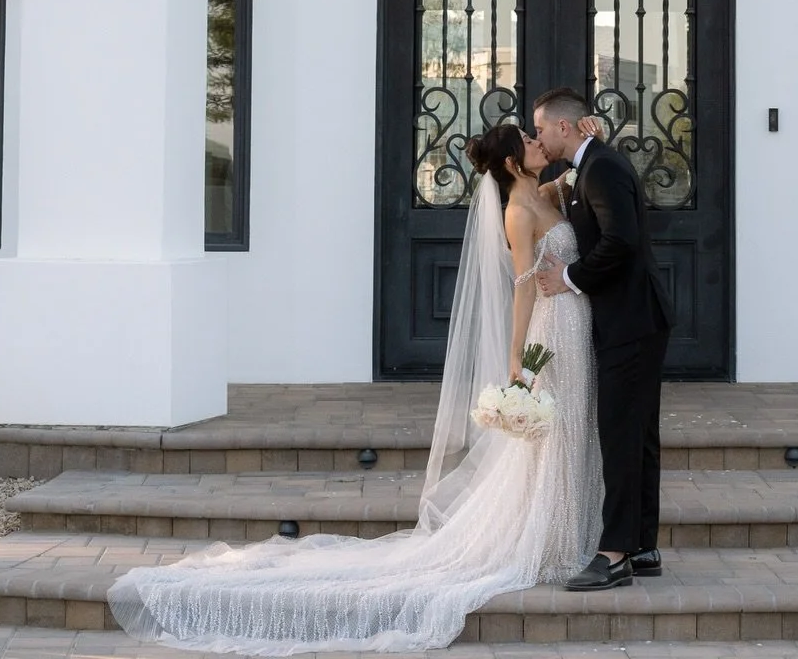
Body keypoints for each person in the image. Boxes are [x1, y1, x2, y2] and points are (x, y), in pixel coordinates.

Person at [107, 123, 601, 654]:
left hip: (575, 326)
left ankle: (558, 533)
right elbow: (524, 289)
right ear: (511, 164)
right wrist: (516, 366)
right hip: (551, 330)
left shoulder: (548, 193)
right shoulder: (519, 212)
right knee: (554, 435)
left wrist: (591, 137)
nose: (536, 143)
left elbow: (578, 169)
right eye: (528, 141)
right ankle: (545, 542)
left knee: (568, 432)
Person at [533, 87, 673, 592]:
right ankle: (642, 545)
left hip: (632, 319)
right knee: (635, 434)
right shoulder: (585, 167)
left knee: (620, 434)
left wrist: (568, 278)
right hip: (630, 319)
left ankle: (614, 555)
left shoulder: (604, 168)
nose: (538, 137)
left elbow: (622, 240)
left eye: (542, 128)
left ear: (564, 127)